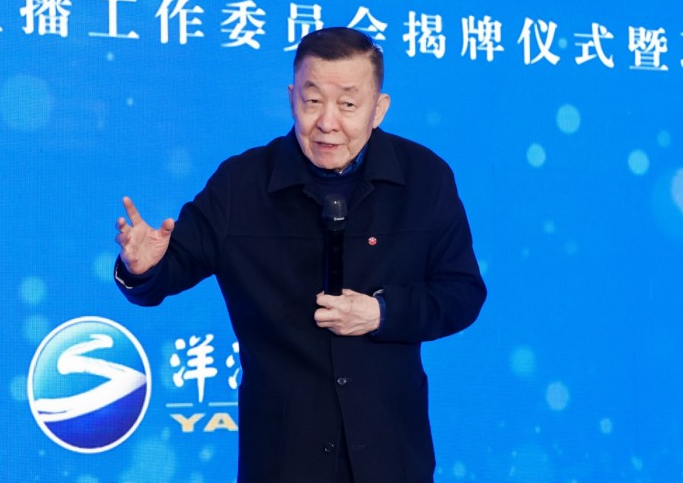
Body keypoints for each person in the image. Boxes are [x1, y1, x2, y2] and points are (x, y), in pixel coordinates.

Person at [114, 27, 486, 483]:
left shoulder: (425, 178)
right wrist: (142, 268)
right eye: (312, 101)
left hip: (391, 454)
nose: (327, 122)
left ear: (378, 108)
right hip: (283, 457)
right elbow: (165, 275)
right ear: (291, 98)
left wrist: (383, 312)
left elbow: (462, 293)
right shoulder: (241, 185)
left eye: (347, 104)